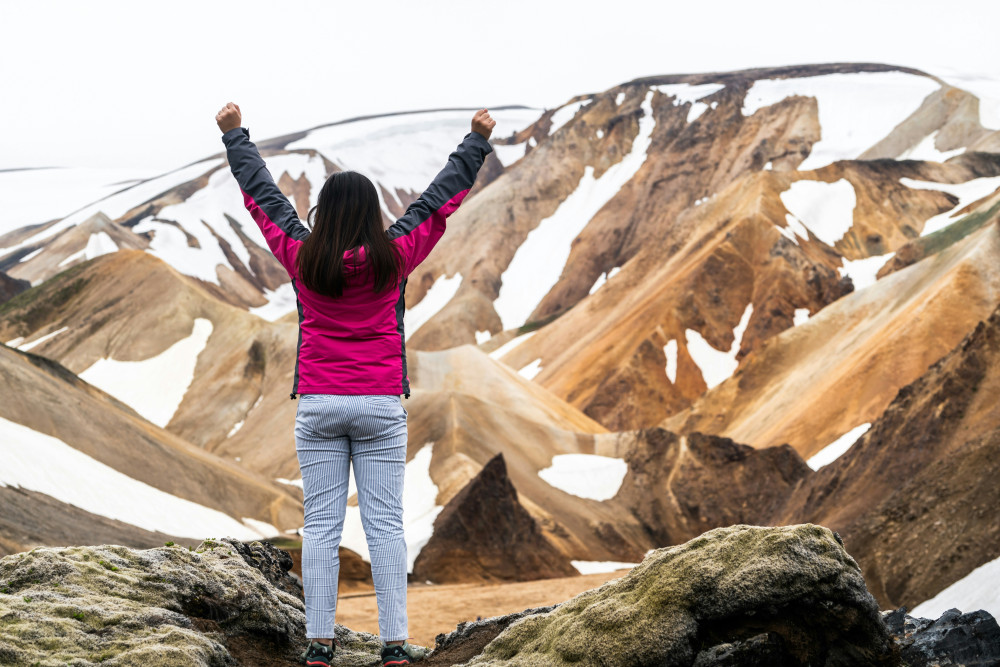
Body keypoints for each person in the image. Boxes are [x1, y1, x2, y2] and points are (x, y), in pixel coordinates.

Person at [215, 102, 495, 666]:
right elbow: (436, 203)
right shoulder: (396, 255)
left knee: (320, 527)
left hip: (319, 404)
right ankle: (394, 647)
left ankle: (319, 647)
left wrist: (235, 136)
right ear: (371, 214)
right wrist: (475, 142)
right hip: (380, 405)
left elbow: (264, 199)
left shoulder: (302, 256)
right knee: (385, 525)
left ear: (323, 212)